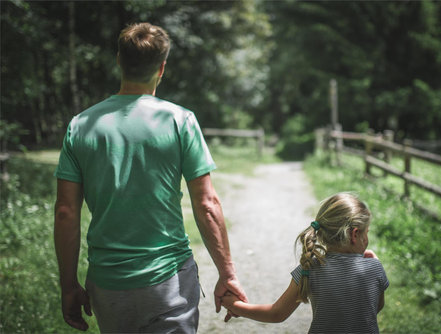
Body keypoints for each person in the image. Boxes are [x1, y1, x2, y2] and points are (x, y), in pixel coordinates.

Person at [54, 22, 246, 333]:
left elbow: (65, 212)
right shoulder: (180, 121)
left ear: (119, 60)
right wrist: (227, 273)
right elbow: (207, 203)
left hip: (107, 284)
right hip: (169, 282)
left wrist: (67, 286)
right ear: (162, 67)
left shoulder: (81, 125)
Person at [222, 192, 389, 334]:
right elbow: (375, 308)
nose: (366, 239)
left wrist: (235, 305)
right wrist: (375, 263)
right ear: (355, 234)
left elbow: (276, 314)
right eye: (366, 233)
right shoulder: (374, 268)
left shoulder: (310, 268)